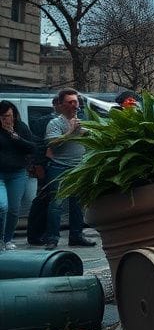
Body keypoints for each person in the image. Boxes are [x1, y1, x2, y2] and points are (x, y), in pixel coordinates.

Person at [43, 88, 94, 250]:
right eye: (70, 102)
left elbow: (93, 139)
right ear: (62, 105)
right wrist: (71, 132)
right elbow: (52, 144)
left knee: (78, 204)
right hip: (59, 168)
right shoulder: (55, 123)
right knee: (56, 204)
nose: (74, 105)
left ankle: (76, 236)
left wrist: (87, 133)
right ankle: (52, 238)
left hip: (78, 167)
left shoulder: (82, 121)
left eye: (76, 102)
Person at [0, 101, 35, 251]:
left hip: (17, 173)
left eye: (9, 116)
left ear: (14, 115)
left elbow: (32, 147)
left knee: (14, 209)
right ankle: (0, 239)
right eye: (3, 116)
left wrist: (14, 136)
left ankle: (7, 239)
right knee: (2, 206)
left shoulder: (20, 127)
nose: (6, 119)